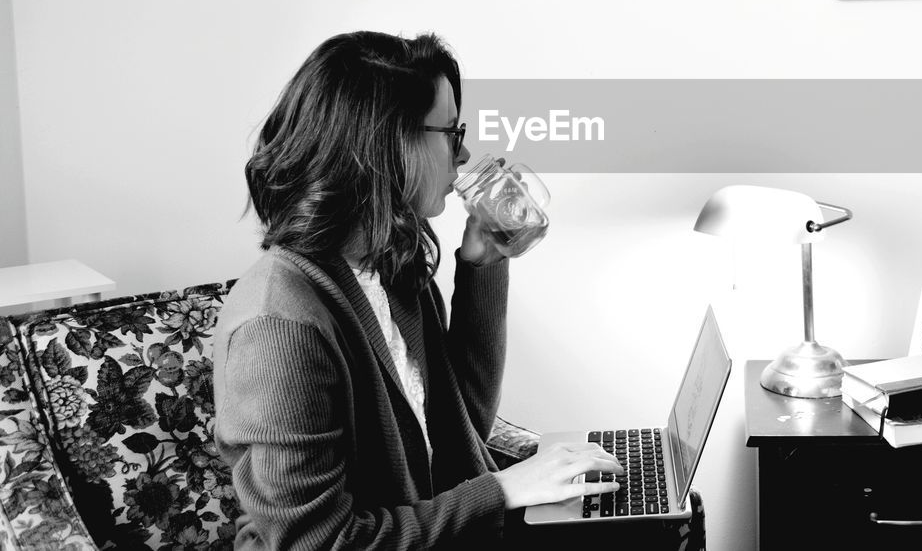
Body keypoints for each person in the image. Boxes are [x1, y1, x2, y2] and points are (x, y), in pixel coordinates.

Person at [212, 31, 623, 549]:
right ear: (387, 140)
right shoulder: (279, 327)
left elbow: (459, 430)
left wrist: (483, 269)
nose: (466, 152)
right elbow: (319, 543)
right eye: (451, 132)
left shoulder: (387, 266)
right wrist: (501, 490)